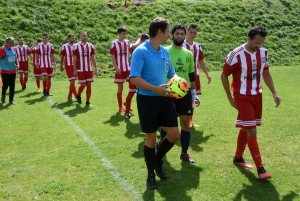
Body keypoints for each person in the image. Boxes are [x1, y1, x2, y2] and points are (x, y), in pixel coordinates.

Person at [221, 26, 281, 180]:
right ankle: (261, 169)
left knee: (246, 128)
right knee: (252, 131)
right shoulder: (236, 55)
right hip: (242, 96)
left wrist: (274, 92)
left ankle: (238, 158)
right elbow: (224, 75)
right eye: (256, 43)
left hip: (257, 95)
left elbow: (266, 73)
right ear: (248, 38)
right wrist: (230, 98)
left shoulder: (264, 52)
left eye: (261, 43)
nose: (259, 46)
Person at [130, 17, 180, 190]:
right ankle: (150, 174)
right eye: (167, 31)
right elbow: (134, 78)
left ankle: (158, 161)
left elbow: (171, 73)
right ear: (159, 32)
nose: (169, 34)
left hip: (165, 98)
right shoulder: (140, 51)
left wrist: (178, 83)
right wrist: (155, 89)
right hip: (147, 100)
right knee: (151, 137)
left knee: (174, 134)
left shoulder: (165, 52)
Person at [158, 24, 198, 163]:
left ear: (185, 35)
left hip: (185, 94)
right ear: (172, 35)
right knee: (167, 124)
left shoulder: (189, 53)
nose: (179, 36)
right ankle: (162, 150)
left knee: (185, 123)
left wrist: (194, 93)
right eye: (177, 34)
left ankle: (184, 153)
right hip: (169, 93)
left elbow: (191, 75)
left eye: (182, 34)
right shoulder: (164, 51)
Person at [183, 24, 212, 127]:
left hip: (195, 76)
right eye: (191, 32)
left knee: (193, 98)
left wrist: (207, 74)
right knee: (181, 97)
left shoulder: (198, 46)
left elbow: (201, 61)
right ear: (187, 33)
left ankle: (190, 120)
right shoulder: (181, 45)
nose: (193, 34)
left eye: (194, 33)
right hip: (183, 76)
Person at [110, 26, 136, 114]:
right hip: (120, 69)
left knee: (132, 86)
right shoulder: (114, 43)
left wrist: (130, 65)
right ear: (119, 34)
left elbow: (129, 55)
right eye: (123, 34)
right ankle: (120, 106)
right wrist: (116, 67)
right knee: (120, 88)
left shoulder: (127, 42)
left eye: (125, 34)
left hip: (127, 69)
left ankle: (127, 103)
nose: (125, 35)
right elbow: (113, 56)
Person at [123, 33, 149, 119]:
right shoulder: (136, 48)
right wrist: (139, 38)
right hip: (135, 74)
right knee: (131, 92)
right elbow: (133, 46)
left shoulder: (148, 49)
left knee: (145, 94)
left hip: (144, 75)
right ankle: (127, 112)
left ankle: (145, 113)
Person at [73, 31, 98, 107]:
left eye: (86, 35)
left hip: (89, 69)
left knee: (89, 85)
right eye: (83, 35)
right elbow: (74, 59)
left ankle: (87, 102)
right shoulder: (76, 46)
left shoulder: (90, 46)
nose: (85, 37)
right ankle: (78, 95)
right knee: (83, 84)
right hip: (80, 69)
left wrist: (96, 68)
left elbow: (93, 58)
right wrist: (74, 70)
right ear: (80, 37)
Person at [0, 37, 18, 104]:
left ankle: (11, 100)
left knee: (12, 85)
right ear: (9, 43)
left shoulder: (13, 49)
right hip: (5, 71)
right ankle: (3, 95)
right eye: (13, 41)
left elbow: (15, 57)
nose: (14, 43)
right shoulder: (2, 49)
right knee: (6, 84)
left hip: (13, 71)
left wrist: (17, 64)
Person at [60, 34, 77, 100]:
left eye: (74, 38)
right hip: (68, 65)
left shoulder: (76, 46)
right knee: (72, 80)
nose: (73, 39)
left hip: (75, 66)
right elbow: (62, 57)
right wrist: (61, 66)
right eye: (72, 38)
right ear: (69, 39)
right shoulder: (64, 46)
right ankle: (76, 96)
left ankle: (69, 95)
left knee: (73, 81)